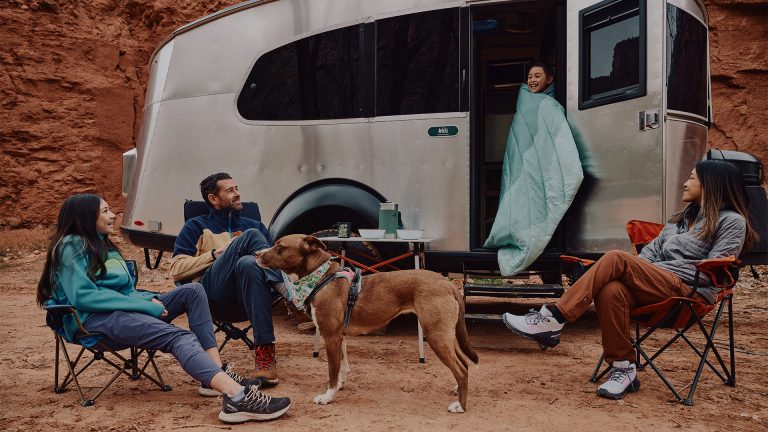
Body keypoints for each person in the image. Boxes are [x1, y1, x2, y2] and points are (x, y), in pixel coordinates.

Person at [502, 160, 757, 400]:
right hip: (658, 287)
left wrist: (657, 269)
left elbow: (714, 271)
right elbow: (648, 256)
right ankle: (623, 369)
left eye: (692, 178)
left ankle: (554, 318)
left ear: (711, 185)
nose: (685, 183)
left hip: (690, 292)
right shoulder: (678, 221)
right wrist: (647, 271)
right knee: (611, 290)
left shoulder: (732, 221)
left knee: (617, 257)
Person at [36, 194, 291, 423]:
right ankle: (236, 398)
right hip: (91, 320)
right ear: (85, 217)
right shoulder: (71, 244)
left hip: (123, 311)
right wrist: (144, 306)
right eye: (105, 211)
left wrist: (146, 300)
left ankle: (213, 375)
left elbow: (123, 291)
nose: (113, 215)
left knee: (193, 291)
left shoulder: (103, 244)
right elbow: (84, 297)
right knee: (180, 337)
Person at [170, 173, 292, 386]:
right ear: (213, 199)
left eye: (237, 188)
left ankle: (264, 356)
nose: (237, 194)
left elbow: (275, 259)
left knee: (248, 263)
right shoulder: (196, 226)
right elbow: (176, 269)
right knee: (250, 236)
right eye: (230, 190)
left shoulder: (255, 224)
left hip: (251, 295)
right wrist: (214, 255)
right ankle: (289, 292)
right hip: (214, 294)